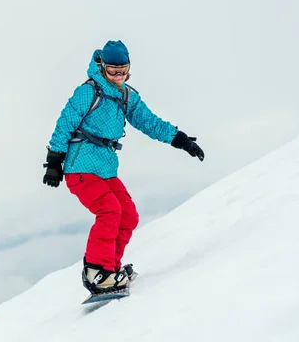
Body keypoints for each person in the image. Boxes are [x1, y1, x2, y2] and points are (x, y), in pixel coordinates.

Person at [42, 40, 205, 294]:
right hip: (80, 166)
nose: (118, 76)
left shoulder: (127, 95)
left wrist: (180, 139)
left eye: (122, 71)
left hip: (105, 168)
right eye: (112, 71)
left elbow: (149, 122)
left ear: (128, 69)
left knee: (127, 214)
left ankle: (110, 269)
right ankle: (97, 272)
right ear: (103, 67)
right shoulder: (88, 91)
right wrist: (54, 161)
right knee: (109, 210)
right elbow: (65, 123)